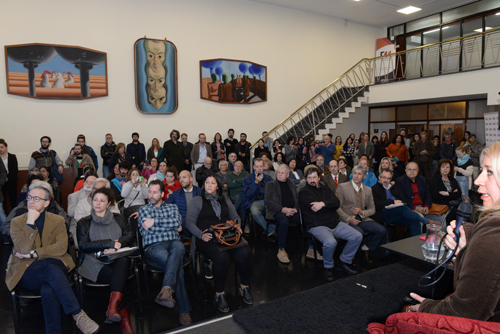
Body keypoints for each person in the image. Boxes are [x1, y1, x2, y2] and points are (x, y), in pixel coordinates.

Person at [408, 142, 500, 321]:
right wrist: (467, 249)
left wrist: (425, 306)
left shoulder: (494, 229)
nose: (478, 180)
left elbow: (464, 312)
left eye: (489, 172)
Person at [5, 184, 100, 334]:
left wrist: (35, 254)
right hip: (27, 270)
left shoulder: (57, 220)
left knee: (49, 287)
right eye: (29, 197)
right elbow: (22, 249)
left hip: (53, 264)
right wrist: (30, 222)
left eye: (36, 198)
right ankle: (78, 315)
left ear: (47, 202)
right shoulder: (18, 222)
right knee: (51, 273)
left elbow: (61, 247)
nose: (31, 201)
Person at [187, 175, 253, 313]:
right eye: (207, 182)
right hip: (207, 237)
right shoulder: (196, 201)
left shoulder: (225, 199)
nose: (209, 185)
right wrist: (201, 235)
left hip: (227, 235)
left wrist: (238, 226)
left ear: (218, 186)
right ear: (203, 185)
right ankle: (219, 294)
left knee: (246, 253)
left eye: (213, 183)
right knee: (222, 258)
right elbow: (189, 223)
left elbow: (235, 217)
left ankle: (244, 286)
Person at [77, 187, 135, 333]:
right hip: (94, 261)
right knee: (119, 280)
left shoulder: (118, 217)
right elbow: (84, 246)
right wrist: (108, 243)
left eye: (102, 200)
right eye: (95, 200)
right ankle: (124, 321)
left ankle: (112, 309)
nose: (97, 203)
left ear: (109, 203)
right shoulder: (84, 222)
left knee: (123, 261)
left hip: (116, 257)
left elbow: (129, 234)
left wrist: (118, 244)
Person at [138, 180, 192, 325]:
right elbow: (166, 226)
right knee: (176, 266)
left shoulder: (172, 207)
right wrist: (170, 225)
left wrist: (154, 221)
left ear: (163, 194)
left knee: (179, 247)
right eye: (149, 191)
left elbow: (177, 222)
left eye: (155, 192)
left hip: (174, 244)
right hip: (154, 247)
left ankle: (166, 290)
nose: (151, 195)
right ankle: (184, 310)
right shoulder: (144, 209)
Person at [298, 167, 362, 281]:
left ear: (319, 178)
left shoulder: (325, 188)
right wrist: (328, 205)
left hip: (333, 223)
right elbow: (314, 208)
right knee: (330, 242)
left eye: (314, 177)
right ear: (306, 179)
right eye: (309, 178)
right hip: (316, 225)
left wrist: (322, 204)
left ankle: (343, 261)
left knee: (357, 236)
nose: (312, 180)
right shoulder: (303, 192)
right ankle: (328, 267)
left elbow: (336, 203)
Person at [336, 165, 386, 263]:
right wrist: (348, 218)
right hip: (347, 219)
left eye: (359, 174)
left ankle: (366, 248)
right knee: (359, 233)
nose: (356, 176)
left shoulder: (368, 190)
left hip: (362, 218)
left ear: (364, 176)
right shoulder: (342, 187)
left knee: (382, 230)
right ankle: (351, 254)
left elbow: (372, 210)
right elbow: (337, 207)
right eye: (354, 173)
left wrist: (362, 212)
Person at [371, 169, 431, 237]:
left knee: (415, 222)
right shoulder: (374, 189)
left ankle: (416, 245)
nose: (386, 180)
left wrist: (399, 202)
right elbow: (377, 204)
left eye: (388, 178)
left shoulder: (393, 187)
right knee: (402, 209)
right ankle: (426, 221)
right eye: (384, 177)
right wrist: (392, 202)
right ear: (379, 177)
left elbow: (404, 200)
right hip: (384, 214)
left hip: (398, 214)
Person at [263, 164, 300, 264]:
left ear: (287, 174)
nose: (279, 174)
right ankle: (281, 249)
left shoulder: (292, 185)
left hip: (291, 211)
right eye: (278, 172)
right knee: (284, 221)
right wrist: (282, 209)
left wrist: (295, 210)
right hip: (276, 211)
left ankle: (309, 247)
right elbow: (268, 202)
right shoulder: (270, 185)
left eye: (282, 173)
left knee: (304, 218)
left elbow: (296, 200)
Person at [242, 158, 276, 241]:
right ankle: (271, 230)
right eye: (257, 167)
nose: (259, 168)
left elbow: (273, 191)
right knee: (254, 211)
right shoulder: (248, 179)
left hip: (268, 200)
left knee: (279, 207)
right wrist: (256, 183)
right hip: (255, 201)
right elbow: (248, 194)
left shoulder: (268, 178)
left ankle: (273, 228)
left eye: (261, 166)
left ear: (264, 167)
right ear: (253, 167)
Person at [166, 170, 202, 235]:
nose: (181, 180)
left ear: (191, 179)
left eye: (184, 177)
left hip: (198, 225)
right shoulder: (176, 194)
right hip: (181, 227)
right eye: (180, 178)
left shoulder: (200, 192)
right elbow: (165, 206)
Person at [68, 171, 98, 245]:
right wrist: (83, 204)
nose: (88, 183)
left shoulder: (98, 196)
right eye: (87, 181)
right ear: (84, 183)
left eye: (91, 182)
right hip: (78, 227)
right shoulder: (74, 196)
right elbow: (70, 213)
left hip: (97, 224)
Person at [226, 161, 249, 232]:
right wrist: (242, 182)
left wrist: (235, 181)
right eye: (236, 166)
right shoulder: (229, 175)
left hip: (245, 195)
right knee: (242, 202)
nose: (238, 168)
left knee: (242, 198)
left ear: (242, 168)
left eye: (240, 166)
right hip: (233, 196)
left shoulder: (246, 173)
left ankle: (232, 214)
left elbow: (248, 182)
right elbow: (230, 185)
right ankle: (245, 225)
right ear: (234, 167)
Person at [0, 139, 18, 214]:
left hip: (11, 180)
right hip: (1, 182)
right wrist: (3, 179)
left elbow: (15, 169)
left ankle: (15, 215)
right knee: (3, 201)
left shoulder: (12, 156)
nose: (0, 149)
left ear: (6, 147)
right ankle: (5, 218)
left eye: (2, 147)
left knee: (13, 199)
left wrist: (8, 177)